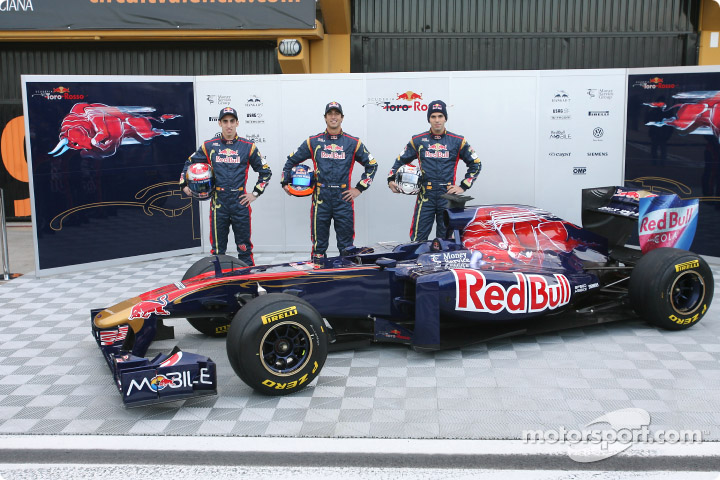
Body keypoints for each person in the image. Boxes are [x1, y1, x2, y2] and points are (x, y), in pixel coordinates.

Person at [282, 101, 378, 263]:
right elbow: (291, 160)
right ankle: (318, 275)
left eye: (337, 114)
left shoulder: (353, 142)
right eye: (330, 114)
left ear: (342, 117)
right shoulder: (313, 141)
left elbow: (372, 165)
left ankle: (346, 275)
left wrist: (359, 188)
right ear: (325, 117)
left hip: (343, 198)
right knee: (319, 247)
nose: (333, 117)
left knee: (346, 246)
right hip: (321, 198)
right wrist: (285, 182)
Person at [180, 106, 272, 265]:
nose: (229, 125)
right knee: (217, 251)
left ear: (237, 123)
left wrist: (255, 193)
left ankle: (247, 278)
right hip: (219, 203)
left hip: (240, 203)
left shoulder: (248, 146)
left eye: (232, 121)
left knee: (244, 249)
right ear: (220, 123)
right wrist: (184, 184)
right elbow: (189, 163)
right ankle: (219, 279)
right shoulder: (209, 146)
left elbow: (265, 172)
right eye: (225, 121)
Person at [387, 100, 481, 242]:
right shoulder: (418, 140)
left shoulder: (457, 141)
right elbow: (399, 161)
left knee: (446, 241)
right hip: (426, 196)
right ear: (429, 119)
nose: (437, 120)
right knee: (418, 240)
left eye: (440, 116)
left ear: (445, 118)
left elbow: (476, 164)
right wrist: (391, 180)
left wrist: (463, 186)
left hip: (448, 197)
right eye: (433, 117)